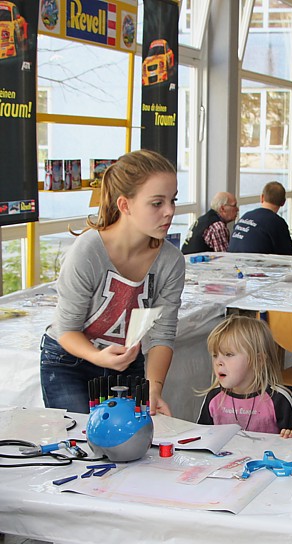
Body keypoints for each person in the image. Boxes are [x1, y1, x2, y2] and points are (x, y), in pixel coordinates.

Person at [40, 149, 185, 415]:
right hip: (68, 361)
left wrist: (154, 388)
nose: (169, 212)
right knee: (83, 446)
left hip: (126, 364)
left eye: (173, 200)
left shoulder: (171, 261)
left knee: (131, 447)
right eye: (157, 203)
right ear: (125, 205)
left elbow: (162, 336)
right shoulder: (88, 251)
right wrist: (96, 357)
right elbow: (66, 330)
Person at [197, 315, 292, 437]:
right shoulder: (213, 398)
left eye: (229, 354)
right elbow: (202, 438)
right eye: (215, 355)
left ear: (258, 360)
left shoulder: (278, 398)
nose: (218, 362)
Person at [228, 181, 292, 255]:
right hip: (255, 264)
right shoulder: (278, 223)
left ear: (262, 197)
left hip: (233, 263)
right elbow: (287, 256)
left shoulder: (246, 216)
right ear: (283, 202)